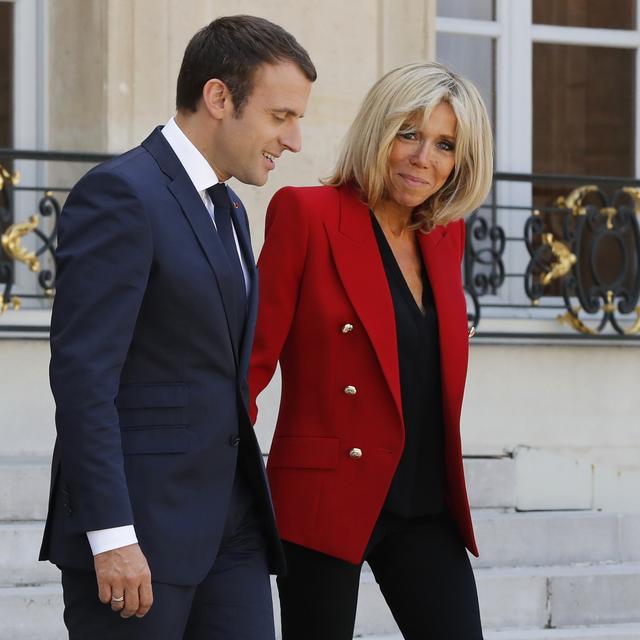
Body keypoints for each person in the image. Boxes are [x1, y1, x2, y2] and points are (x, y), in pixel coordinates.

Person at [39, 15, 315, 640]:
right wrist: (111, 535)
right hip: (140, 537)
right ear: (219, 98)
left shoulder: (233, 210)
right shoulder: (121, 195)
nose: (294, 139)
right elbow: (85, 381)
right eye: (280, 116)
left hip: (232, 527)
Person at [249, 61, 493, 639]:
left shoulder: (443, 234)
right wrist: (215, 483)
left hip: (426, 503)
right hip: (325, 498)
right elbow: (249, 363)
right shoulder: (308, 214)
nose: (422, 157)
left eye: (444, 144)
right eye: (408, 133)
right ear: (377, 131)